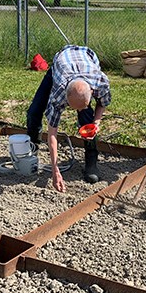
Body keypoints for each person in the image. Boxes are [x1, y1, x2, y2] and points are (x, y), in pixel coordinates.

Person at [26, 45, 111, 192]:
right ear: (65, 97)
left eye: (80, 106)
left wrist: (96, 123)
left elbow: (102, 103)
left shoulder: (100, 82)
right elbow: (52, 133)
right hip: (61, 64)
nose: (76, 111)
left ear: (92, 92)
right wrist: (55, 169)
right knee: (34, 111)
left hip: (87, 59)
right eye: (73, 107)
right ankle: (32, 148)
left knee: (86, 116)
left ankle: (91, 160)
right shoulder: (58, 92)